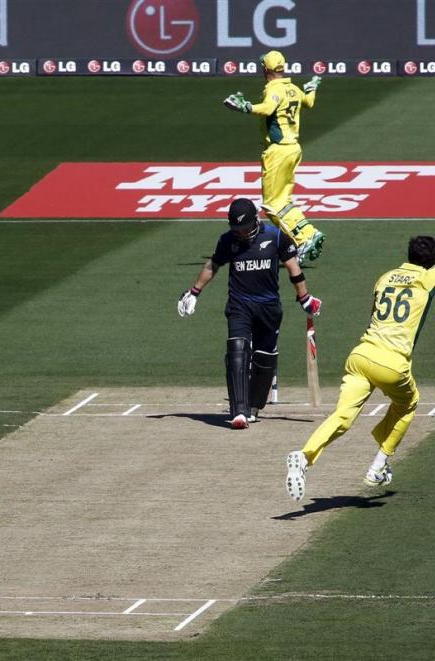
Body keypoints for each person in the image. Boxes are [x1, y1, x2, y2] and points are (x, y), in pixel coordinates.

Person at [286, 236, 435, 502]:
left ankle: (304, 456)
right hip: (392, 363)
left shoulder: (385, 277)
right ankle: (377, 467)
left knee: (341, 416)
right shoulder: (427, 279)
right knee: (409, 403)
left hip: (361, 356)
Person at [178, 197, 322, 429]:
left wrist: (304, 298)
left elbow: (294, 268)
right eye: (237, 229)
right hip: (239, 304)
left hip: (269, 307)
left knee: (265, 358)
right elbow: (212, 265)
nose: (242, 233)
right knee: (237, 349)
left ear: (256, 220)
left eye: (245, 228)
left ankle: (254, 407)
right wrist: (193, 292)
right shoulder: (227, 241)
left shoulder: (275, 236)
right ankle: (239, 411)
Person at [223, 50, 325, 264]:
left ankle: (302, 240)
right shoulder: (293, 88)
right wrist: (312, 87)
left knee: (270, 205)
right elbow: (309, 102)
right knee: (283, 201)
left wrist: (245, 107)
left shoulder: (274, 89)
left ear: (266, 69)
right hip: (294, 148)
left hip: (278, 151)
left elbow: (268, 108)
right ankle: (308, 232)